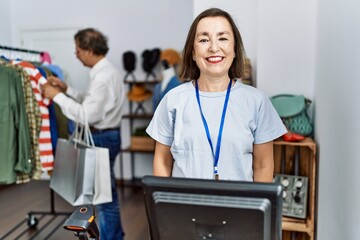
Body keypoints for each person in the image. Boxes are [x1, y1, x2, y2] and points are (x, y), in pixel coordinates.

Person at [146, 8, 287, 183]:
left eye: (223, 38)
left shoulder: (257, 102)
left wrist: (259, 208)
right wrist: (164, 205)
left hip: (240, 208)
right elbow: (162, 160)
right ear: (193, 53)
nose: (214, 47)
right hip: (183, 207)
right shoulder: (173, 100)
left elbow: (263, 165)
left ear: (235, 50)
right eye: (204, 40)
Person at [41, 28, 125, 239]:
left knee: (104, 200)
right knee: (104, 196)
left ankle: (112, 238)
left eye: (77, 49)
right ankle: (113, 235)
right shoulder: (104, 73)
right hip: (105, 136)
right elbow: (91, 101)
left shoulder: (103, 77)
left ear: (88, 50)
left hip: (101, 138)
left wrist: (56, 97)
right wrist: (66, 89)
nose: (76, 54)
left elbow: (86, 115)